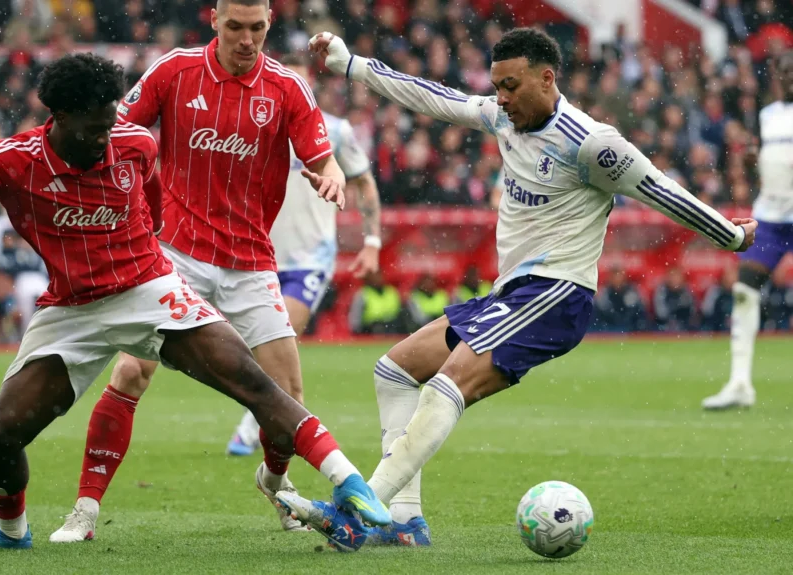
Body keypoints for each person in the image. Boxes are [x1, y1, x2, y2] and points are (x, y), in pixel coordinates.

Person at [275, 29, 758, 552]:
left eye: (511, 86)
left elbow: (659, 188)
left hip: (556, 293)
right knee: (394, 370)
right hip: (510, 294)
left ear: (547, 79)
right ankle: (403, 519)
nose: (500, 98)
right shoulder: (503, 117)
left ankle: (358, 513)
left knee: (447, 384)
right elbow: (434, 96)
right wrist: (353, 65)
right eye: (497, 86)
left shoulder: (592, 142)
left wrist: (729, 235)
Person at [0, 53, 388, 552]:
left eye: (110, 123)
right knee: (3, 434)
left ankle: (351, 483)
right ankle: (12, 533)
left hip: (148, 289)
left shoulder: (134, 143)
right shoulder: (16, 158)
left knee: (251, 380)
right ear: (60, 117)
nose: (104, 138)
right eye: (94, 129)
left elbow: (155, 206)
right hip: (71, 310)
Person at [50, 0, 356, 542]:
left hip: (251, 260)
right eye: (235, 27)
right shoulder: (174, 70)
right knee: (131, 372)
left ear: (268, 25)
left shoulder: (287, 89)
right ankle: (85, 510)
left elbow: (321, 154)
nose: (246, 39)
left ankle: (276, 482)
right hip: (174, 254)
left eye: (257, 28)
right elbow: (116, 131)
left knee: (286, 395)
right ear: (214, 19)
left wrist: (329, 173)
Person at [225, 52, 382, 457]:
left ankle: (250, 426)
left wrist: (372, 241)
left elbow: (363, 185)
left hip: (310, 257)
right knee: (242, 347)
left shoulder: (336, 131)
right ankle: (261, 415)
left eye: (300, 83)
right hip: (256, 253)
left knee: (282, 338)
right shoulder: (253, 128)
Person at [702, 50, 793, 410]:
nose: (788, 77)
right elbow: (759, 159)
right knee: (743, 290)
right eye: (783, 71)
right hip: (771, 216)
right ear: (774, 76)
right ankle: (740, 383)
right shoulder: (766, 116)